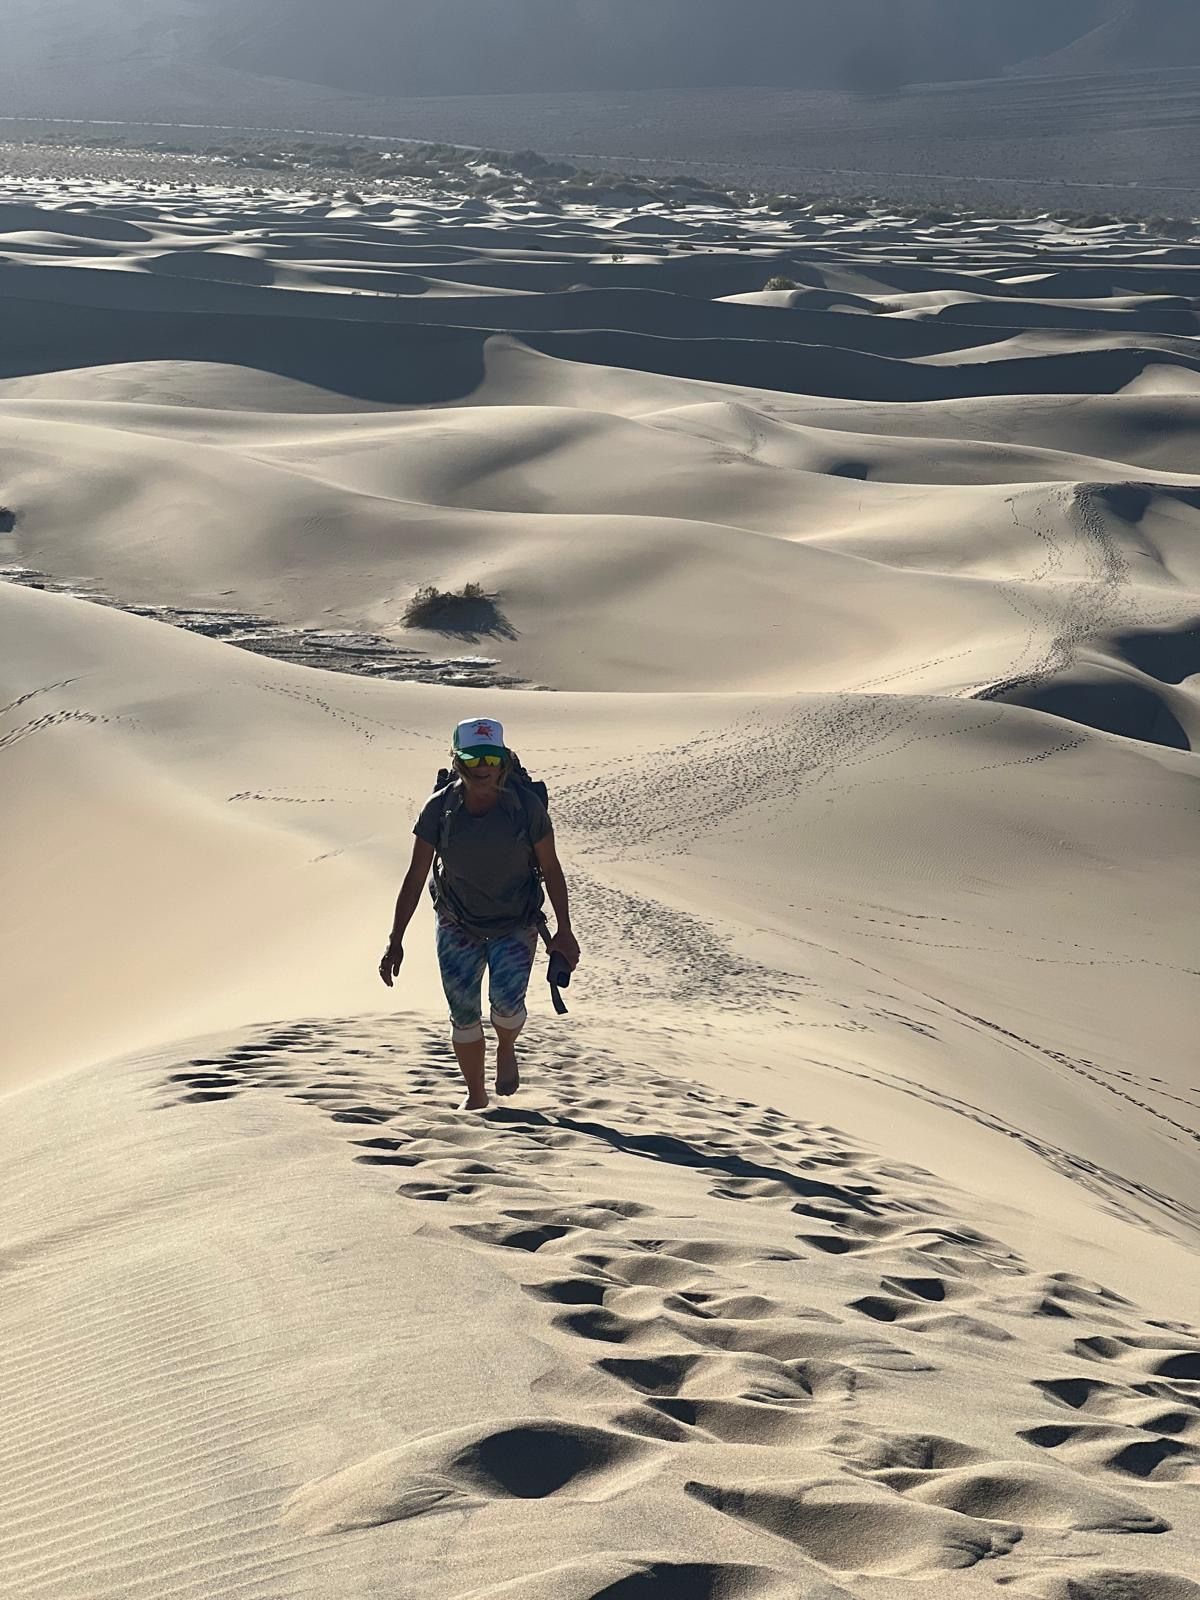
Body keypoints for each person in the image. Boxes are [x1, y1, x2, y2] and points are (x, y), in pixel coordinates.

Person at [379, 717, 580, 1110]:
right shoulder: (439, 809)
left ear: (503, 760)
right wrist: (395, 940)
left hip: (516, 923)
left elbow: (552, 868)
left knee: (507, 1006)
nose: (482, 766)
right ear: (457, 762)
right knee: (463, 1013)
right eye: (472, 758)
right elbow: (417, 873)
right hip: (457, 923)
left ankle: (506, 1046)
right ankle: (475, 1095)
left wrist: (565, 930)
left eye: (490, 756)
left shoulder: (526, 807)